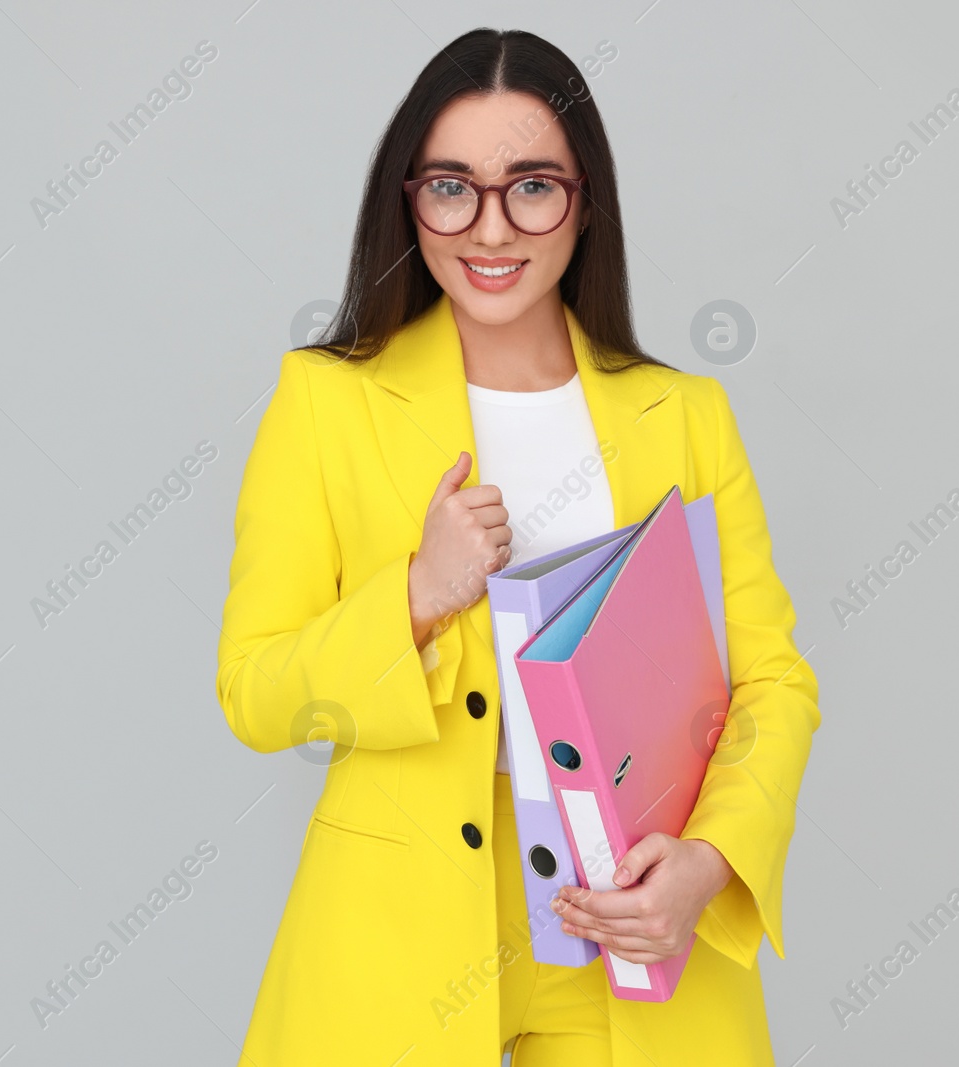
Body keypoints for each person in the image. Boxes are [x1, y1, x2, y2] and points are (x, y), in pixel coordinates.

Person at [215, 26, 820, 1066]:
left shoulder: (684, 414)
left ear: (586, 202)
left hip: (624, 915)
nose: (489, 227)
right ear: (408, 201)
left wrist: (709, 862)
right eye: (451, 186)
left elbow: (773, 684)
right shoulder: (326, 403)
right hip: (402, 925)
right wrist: (414, 593)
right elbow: (257, 690)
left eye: (531, 186)